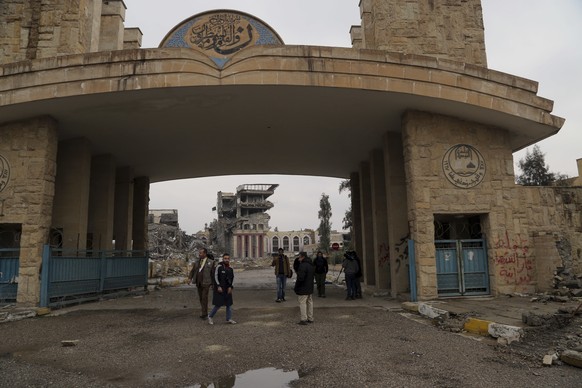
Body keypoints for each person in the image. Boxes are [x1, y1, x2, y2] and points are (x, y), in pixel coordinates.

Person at [208, 253, 236, 325]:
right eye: (225, 258)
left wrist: (230, 287)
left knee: (228, 304)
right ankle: (210, 316)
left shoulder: (230, 269)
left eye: (228, 258)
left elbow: (232, 279)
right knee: (218, 304)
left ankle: (229, 318)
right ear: (223, 259)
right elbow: (215, 277)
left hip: (227, 289)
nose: (226, 260)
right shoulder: (219, 267)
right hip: (220, 288)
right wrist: (218, 286)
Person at [188, 248, 215, 319]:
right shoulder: (197, 262)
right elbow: (192, 271)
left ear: (205, 254)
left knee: (204, 298)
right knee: (201, 298)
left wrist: (213, 284)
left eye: (200, 253)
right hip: (198, 282)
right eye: (199, 253)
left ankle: (204, 314)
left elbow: (213, 274)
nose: (199, 254)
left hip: (206, 282)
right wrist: (190, 278)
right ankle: (204, 311)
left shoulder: (211, 262)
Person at [294, 251, 315, 325]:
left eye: (299, 256)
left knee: (302, 303)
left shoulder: (302, 265)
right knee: (310, 302)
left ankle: (303, 319)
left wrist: (297, 287)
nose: (298, 258)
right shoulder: (311, 265)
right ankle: (310, 318)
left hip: (303, 287)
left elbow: (300, 278)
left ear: (302, 257)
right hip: (309, 287)